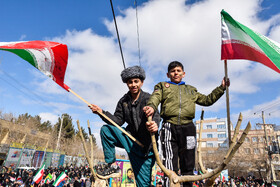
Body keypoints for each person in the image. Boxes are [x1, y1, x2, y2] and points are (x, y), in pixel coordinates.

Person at [144, 61, 230, 187]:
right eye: (173, 71)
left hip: (188, 129)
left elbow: (207, 100)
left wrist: (221, 88)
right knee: (169, 164)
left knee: (188, 163)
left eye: (178, 71)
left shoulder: (191, 90)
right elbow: (155, 97)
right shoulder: (162, 86)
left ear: (183, 74)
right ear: (168, 74)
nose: (176, 73)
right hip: (169, 127)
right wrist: (151, 106)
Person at [89, 66, 160, 187]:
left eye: (136, 81)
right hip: (131, 141)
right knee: (106, 130)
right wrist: (101, 112)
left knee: (143, 184)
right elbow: (117, 121)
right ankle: (112, 166)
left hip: (146, 149)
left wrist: (155, 125)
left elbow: (156, 116)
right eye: (130, 82)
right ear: (127, 83)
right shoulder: (124, 101)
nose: (133, 85)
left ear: (141, 82)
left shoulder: (148, 98)